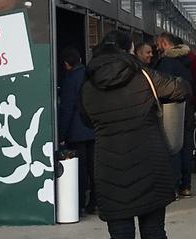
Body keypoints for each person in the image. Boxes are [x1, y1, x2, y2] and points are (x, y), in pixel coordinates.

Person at [80, 31, 190, 239]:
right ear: (129, 51)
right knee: (154, 232)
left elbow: (86, 120)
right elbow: (182, 89)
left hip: (109, 167)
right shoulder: (146, 77)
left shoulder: (87, 86)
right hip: (150, 162)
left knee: (120, 234)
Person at [154, 33, 194, 199]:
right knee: (185, 146)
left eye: (157, 44)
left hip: (171, 109)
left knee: (171, 147)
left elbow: (161, 87)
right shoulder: (187, 61)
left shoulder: (166, 63)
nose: (156, 48)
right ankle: (186, 185)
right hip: (187, 107)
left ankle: (173, 187)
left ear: (164, 43)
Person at [58, 46, 96, 214]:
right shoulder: (91, 76)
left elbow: (67, 108)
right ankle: (95, 201)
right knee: (94, 169)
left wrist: (61, 133)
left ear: (66, 64)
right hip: (93, 129)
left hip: (76, 131)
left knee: (79, 171)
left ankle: (79, 203)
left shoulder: (69, 80)